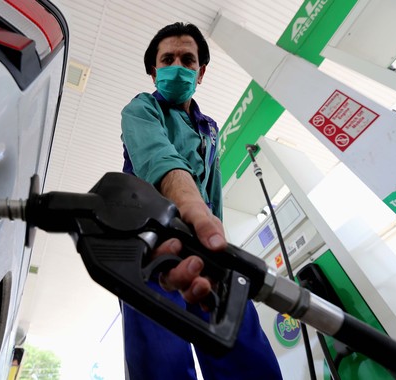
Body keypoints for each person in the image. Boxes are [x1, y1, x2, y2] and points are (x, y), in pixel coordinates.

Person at [120, 22, 283, 379]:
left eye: (188, 59)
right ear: (154, 71)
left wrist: (218, 242)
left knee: (246, 355)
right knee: (162, 362)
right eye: (168, 59)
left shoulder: (209, 128)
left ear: (201, 71)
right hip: (152, 253)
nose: (178, 65)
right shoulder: (141, 110)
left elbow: (214, 196)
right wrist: (192, 209)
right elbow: (159, 159)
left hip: (207, 248)